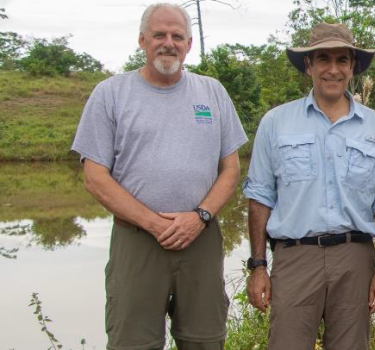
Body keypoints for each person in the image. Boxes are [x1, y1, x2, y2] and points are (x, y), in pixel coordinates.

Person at [71, 3, 248, 349]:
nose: (169, 43)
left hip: (201, 240)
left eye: (177, 36)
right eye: (159, 35)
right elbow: (94, 176)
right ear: (142, 40)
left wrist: (199, 217)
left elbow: (231, 169)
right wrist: (154, 223)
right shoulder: (111, 94)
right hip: (137, 240)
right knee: (132, 342)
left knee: (205, 340)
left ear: (189, 44)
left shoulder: (212, 93)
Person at [242, 22, 375, 350]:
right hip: (295, 257)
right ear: (308, 66)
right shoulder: (276, 122)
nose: (333, 69)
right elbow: (259, 198)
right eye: (323, 59)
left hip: (355, 259)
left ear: (352, 67)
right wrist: (258, 266)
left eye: (342, 60)